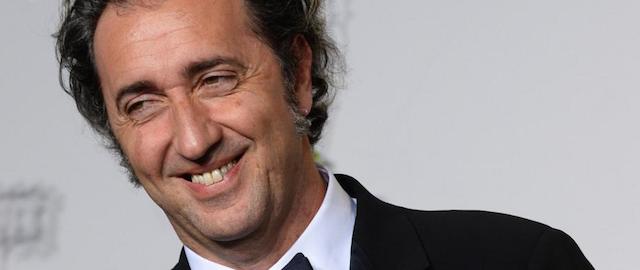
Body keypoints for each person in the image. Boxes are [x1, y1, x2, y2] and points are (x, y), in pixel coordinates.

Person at [55, 0, 594, 269]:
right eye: (143, 104)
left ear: (299, 73)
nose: (194, 140)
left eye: (216, 80)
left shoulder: (518, 263)